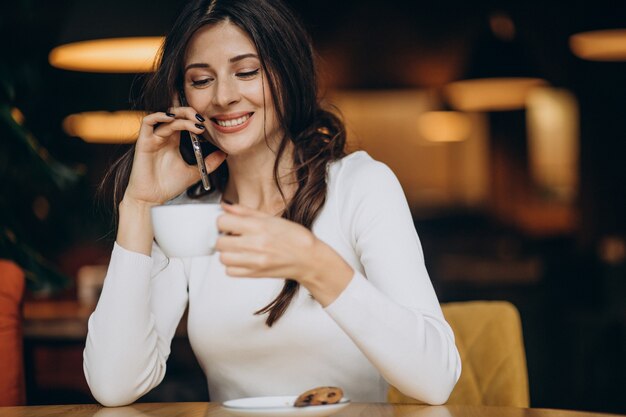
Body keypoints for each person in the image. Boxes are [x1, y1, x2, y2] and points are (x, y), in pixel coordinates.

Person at [83, 0, 461, 407]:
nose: (223, 97)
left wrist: (315, 264)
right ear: (182, 97)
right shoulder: (190, 216)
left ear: (288, 73)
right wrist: (139, 205)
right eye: (201, 80)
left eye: (246, 72)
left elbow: (435, 381)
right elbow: (113, 385)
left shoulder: (361, 186)